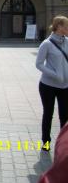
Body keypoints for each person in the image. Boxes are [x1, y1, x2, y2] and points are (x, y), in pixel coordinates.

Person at [35, 15, 68, 151]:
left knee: (65, 115)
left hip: (65, 86)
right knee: (48, 113)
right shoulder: (47, 43)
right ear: (58, 26)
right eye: (66, 25)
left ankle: (63, 144)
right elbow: (39, 64)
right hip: (48, 85)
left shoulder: (67, 41)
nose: (67, 28)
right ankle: (46, 142)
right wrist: (54, 74)